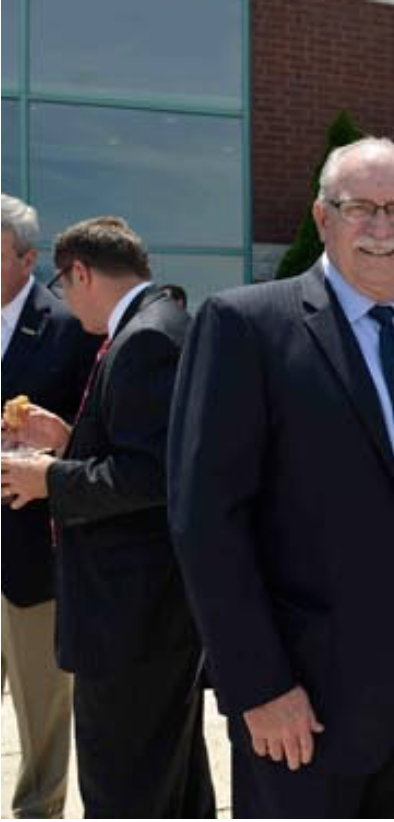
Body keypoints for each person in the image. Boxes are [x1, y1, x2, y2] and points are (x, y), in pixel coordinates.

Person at [167, 137, 394, 818]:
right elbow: (206, 520)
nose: (379, 227)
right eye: (358, 207)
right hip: (300, 696)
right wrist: (258, 683)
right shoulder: (247, 325)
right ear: (321, 217)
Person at [1, 216, 215, 817]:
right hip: (147, 614)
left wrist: (48, 478)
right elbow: (142, 455)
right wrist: (68, 440)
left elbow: (150, 479)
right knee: (170, 779)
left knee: (124, 786)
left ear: (83, 273)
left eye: (63, 285)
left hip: (131, 617)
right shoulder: (157, 324)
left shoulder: (144, 339)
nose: (63, 301)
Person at [0, 194, 100, 819]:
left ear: (27, 258)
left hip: (28, 549)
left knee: (41, 704)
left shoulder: (66, 330)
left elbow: (91, 436)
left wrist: (51, 443)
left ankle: (39, 809)